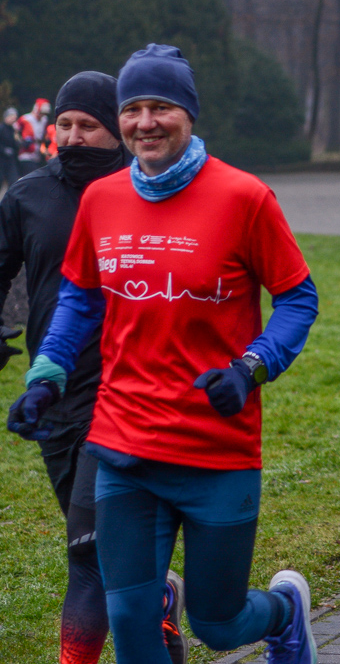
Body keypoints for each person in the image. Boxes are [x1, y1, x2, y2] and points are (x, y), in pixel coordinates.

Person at [14, 44, 320, 664]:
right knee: (130, 620)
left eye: (161, 107)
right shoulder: (103, 199)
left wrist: (251, 367)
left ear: (189, 113)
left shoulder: (244, 197)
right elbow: (80, 298)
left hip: (217, 450)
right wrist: (46, 376)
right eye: (132, 109)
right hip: (123, 446)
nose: (144, 122)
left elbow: (298, 298)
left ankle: (285, 614)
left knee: (217, 619)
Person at [2, 73, 188, 664]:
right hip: (56, 391)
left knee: (86, 553)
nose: (74, 137)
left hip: (134, 386)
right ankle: (157, 601)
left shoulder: (146, 192)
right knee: (104, 543)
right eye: (64, 125)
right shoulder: (27, 196)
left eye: (89, 125)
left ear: (117, 130)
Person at [18, 97, 52, 176]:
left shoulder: (44, 120)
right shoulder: (25, 119)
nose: (42, 115)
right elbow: (15, 131)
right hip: (26, 154)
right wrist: (21, 142)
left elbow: (44, 136)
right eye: (41, 112)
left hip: (38, 155)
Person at [0, 107, 22, 191]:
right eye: (12, 117)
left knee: (13, 180)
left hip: (11, 159)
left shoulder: (13, 130)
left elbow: (16, 145)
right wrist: (3, 150)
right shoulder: (1, 128)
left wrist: (18, 141)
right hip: (1, 159)